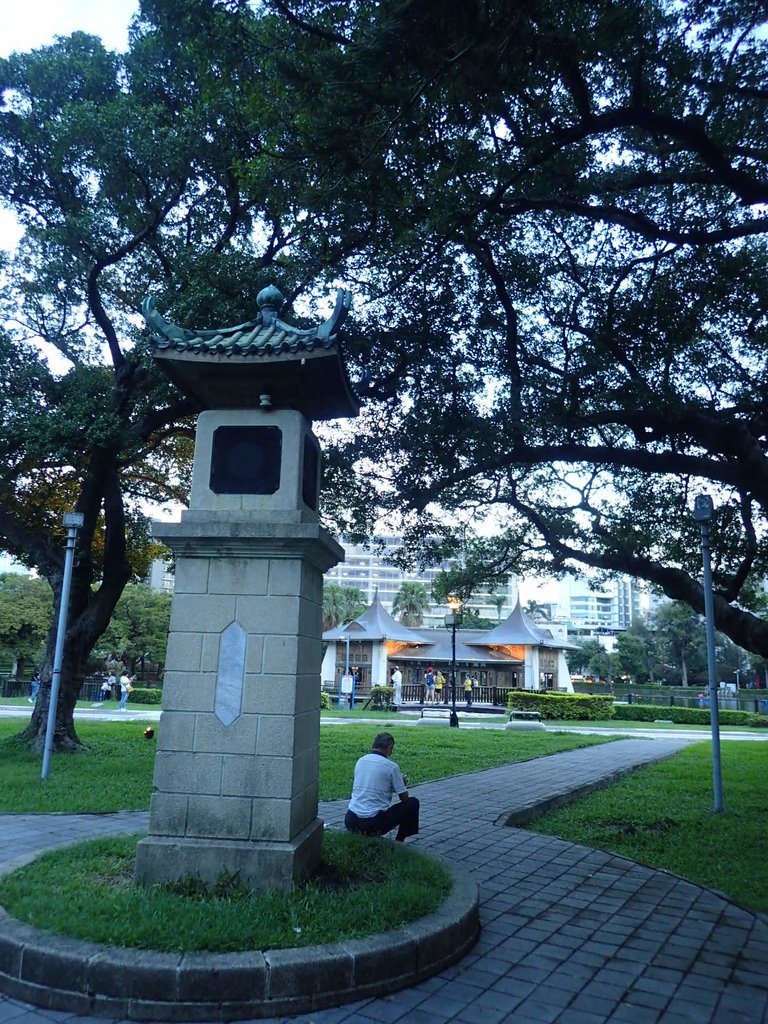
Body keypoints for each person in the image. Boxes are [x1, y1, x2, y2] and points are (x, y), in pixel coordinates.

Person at [344, 732, 419, 842]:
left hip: (351, 820)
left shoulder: (361, 761)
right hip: (373, 823)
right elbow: (404, 798)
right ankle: (400, 840)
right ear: (389, 748)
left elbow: (372, 784)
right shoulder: (391, 767)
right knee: (413, 803)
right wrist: (401, 784)